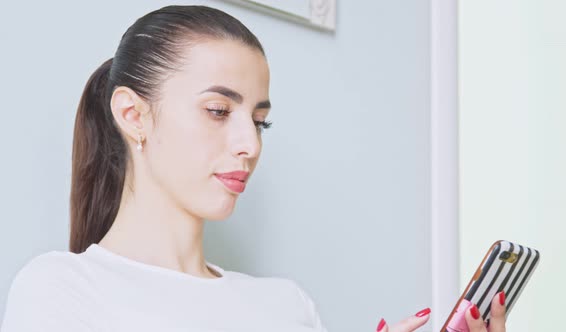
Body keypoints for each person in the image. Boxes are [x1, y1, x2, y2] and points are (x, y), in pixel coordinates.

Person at [0, 5, 507, 332]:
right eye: (219, 111)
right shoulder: (61, 290)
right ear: (133, 114)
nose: (249, 144)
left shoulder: (288, 306)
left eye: (259, 121)